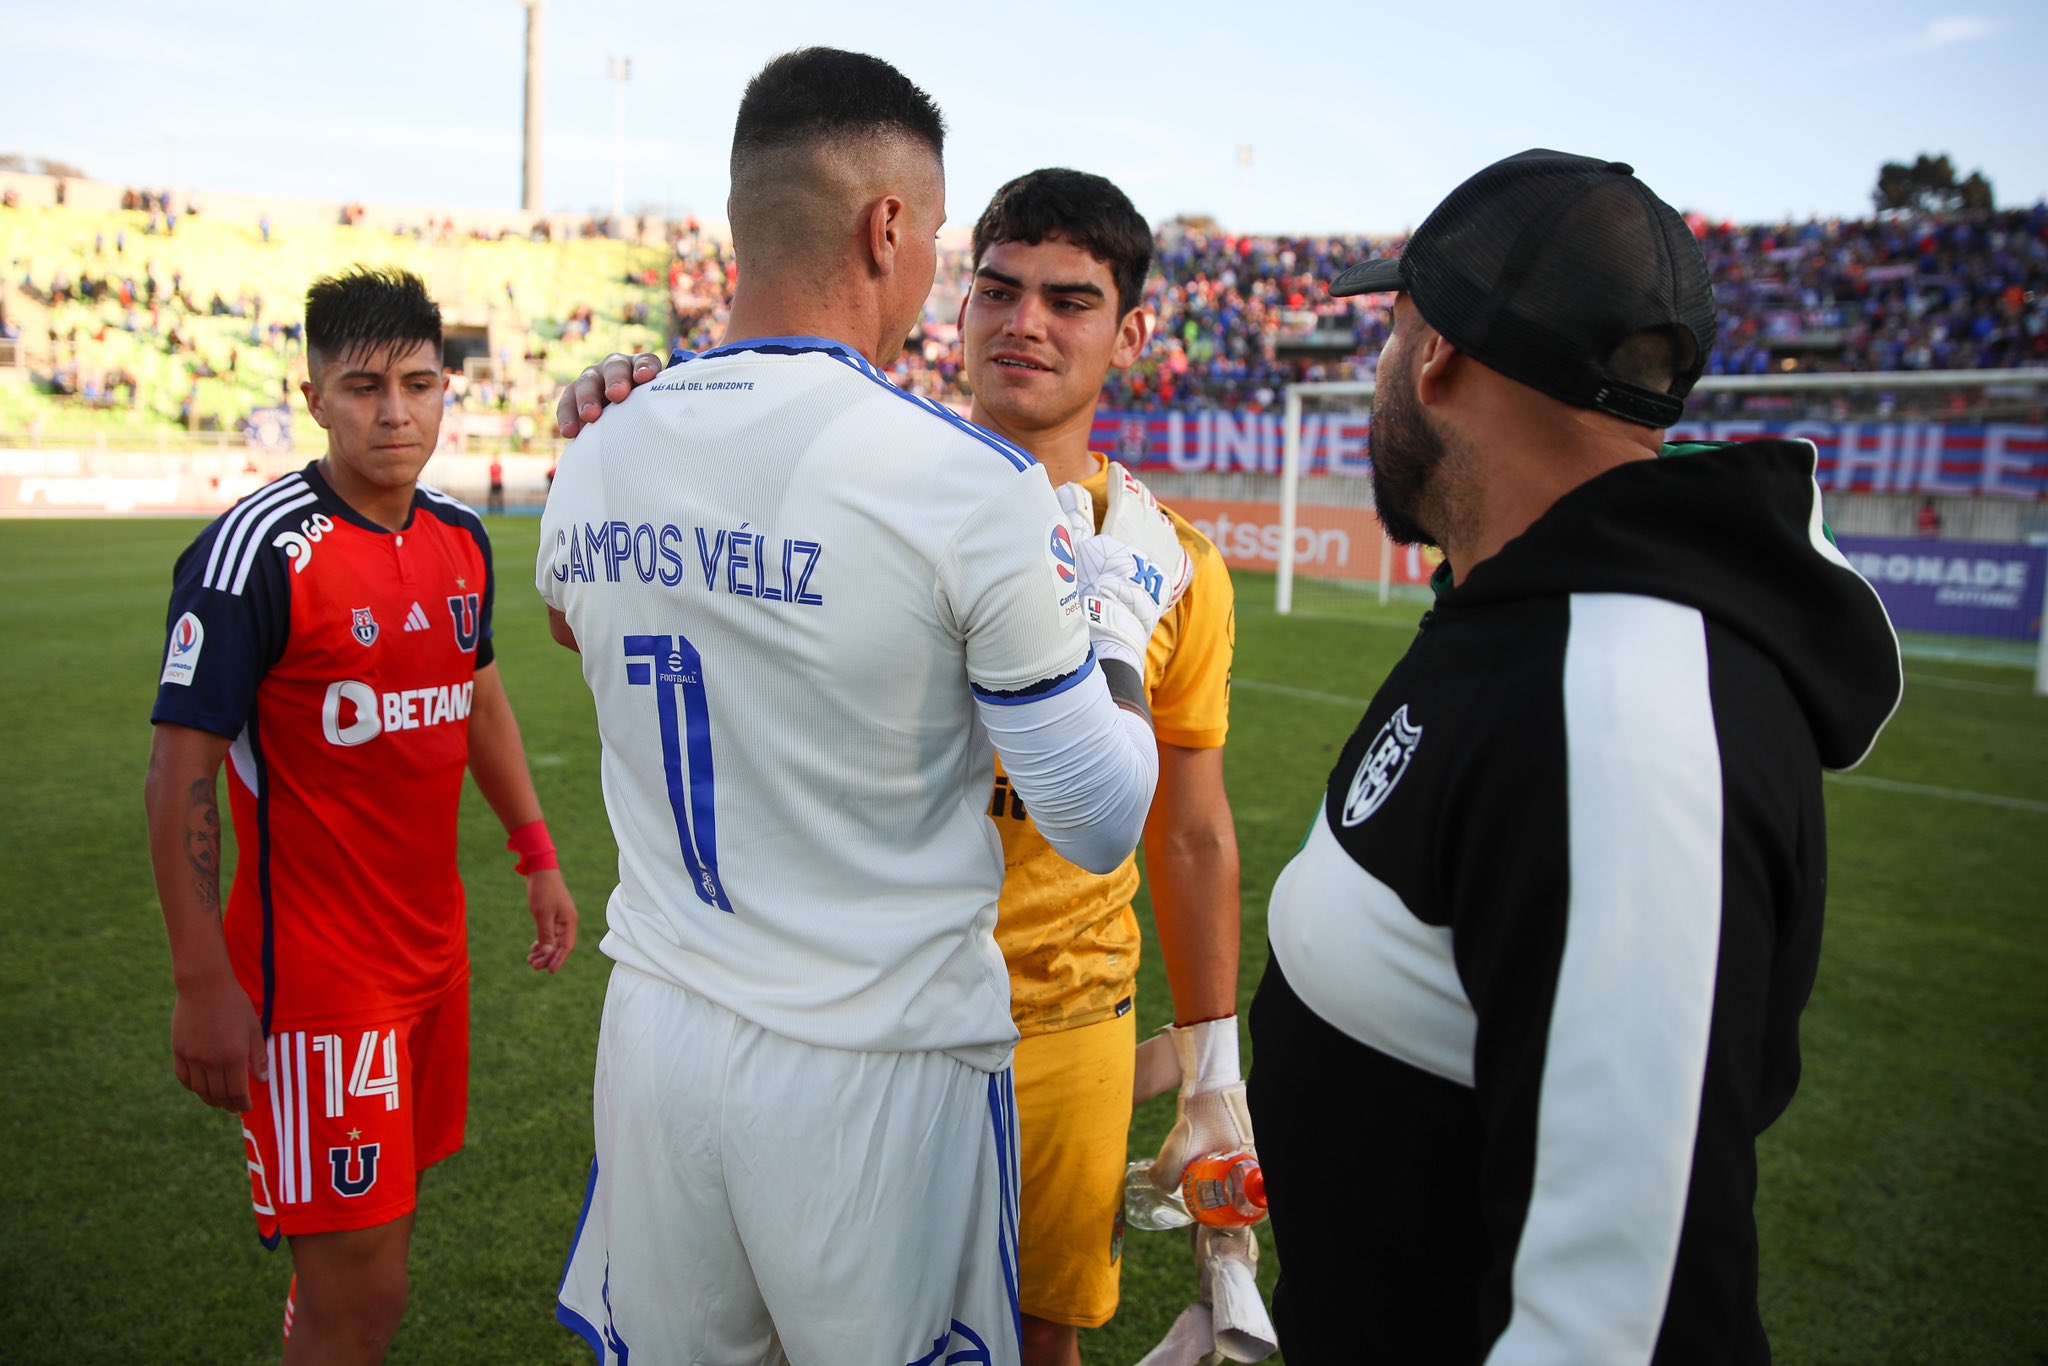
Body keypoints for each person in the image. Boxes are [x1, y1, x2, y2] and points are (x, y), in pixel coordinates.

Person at [560, 167, 1254, 1366]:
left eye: (1069, 300)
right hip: (862, 1006)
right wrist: (643, 411)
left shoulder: (1176, 563)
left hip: (1063, 1010)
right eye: (996, 289)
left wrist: (1214, 1064)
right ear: (956, 303)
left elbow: (1185, 831)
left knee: (1034, 1337)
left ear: (1132, 333)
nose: (1024, 322)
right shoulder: (872, 486)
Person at [1244, 150, 1903, 1364]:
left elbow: (1622, 1328)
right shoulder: (1519, 612)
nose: (1378, 371)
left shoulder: (1621, 709)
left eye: (1387, 332)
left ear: (1433, 351)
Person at [144, 266, 580, 1364]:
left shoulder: (460, 538)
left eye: (419, 383)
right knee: (364, 1294)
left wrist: (536, 854)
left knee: (373, 1249)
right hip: (317, 988)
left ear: (447, 392)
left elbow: (475, 694)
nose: (395, 412)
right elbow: (180, 771)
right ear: (314, 396)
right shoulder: (255, 554)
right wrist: (203, 982)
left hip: (432, 965)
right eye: (364, 385)